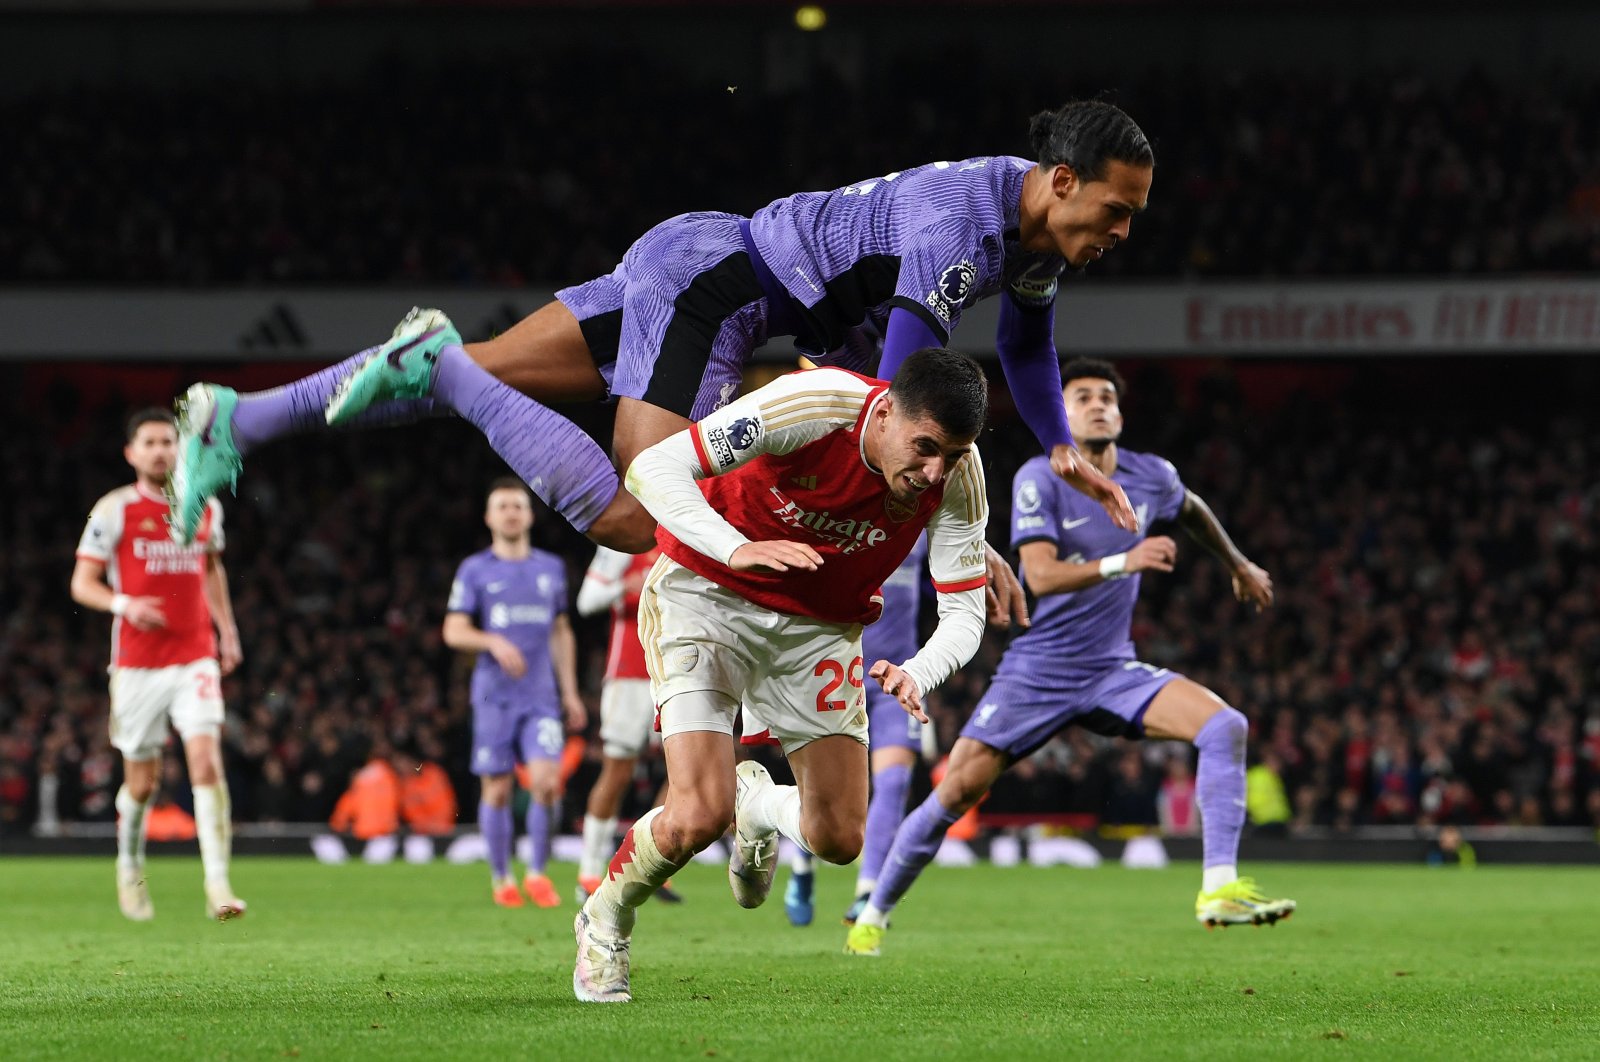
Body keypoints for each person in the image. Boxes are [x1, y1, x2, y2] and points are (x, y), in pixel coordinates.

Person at [167, 100, 1155, 615]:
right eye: (1113, 212)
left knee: (483, 373)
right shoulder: (960, 225)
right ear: (1061, 180)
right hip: (722, 290)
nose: (1118, 233)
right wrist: (954, 531)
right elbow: (893, 398)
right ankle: (441, 363)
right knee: (641, 512)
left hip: (705, 258)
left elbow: (1027, 339)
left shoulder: (1029, 236)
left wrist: (1060, 446)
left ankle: (234, 419)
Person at [573, 349, 992, 1003]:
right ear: (884, 414)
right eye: (925, 447)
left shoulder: (958, 473)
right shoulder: (812, 404)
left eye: (953, 453)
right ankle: (605, 922)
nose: (933, 470)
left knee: (840, 837)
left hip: (818, 629)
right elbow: (654, 467)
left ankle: (759, 808)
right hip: (706, 594)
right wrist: (736, 547)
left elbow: (966, 611)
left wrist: (919, 672)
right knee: (695, 816)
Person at [844, 359, 1295, 957]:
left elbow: (1190, 510)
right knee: (953, 794)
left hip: (1112, 670)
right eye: (1082, 397)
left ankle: (1218, 888)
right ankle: (872, 914)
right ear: (1064, 412)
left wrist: (1237, 563)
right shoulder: (1042, 476)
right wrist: (1122, 562)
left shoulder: (1151, 476)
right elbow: (1039, 575)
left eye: (1108, 396)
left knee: (1225, 725)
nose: (1099, 405)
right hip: (1037, 674)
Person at [70, 408, 246, 922]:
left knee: (206, 761)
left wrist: (226, 630)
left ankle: (218, 884)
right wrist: (125, 606)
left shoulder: (203, 506)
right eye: (149, 442)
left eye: (168, 441)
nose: (160, 450)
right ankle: (129, 864)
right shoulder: (113, 510)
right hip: (137, 665)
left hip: (194, 656)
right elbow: (82, 584)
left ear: (181, 448)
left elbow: (211, 567)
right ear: (131, 453)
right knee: (142, 784)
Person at [443, 479, 587, 908]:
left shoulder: (550, 569)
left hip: (541, 696)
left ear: (529, 515)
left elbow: (562, 631)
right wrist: (492, 641)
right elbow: (453, 630)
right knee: (499, 790)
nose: (510, 513)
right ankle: (502, 878)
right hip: (494, 697)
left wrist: (571, 693)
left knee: (546, 784)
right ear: (489, 517)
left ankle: (538, 874)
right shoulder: (475, 570)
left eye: (517, 506)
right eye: (502, 506)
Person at [783, 533, 931, 927]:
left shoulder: (922, 516)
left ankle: (867, 892)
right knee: (828, 789)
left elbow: (962, 539)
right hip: (837, 672)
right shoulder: (846, 511)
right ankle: (801, 864)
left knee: (895, 781)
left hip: (896, 678)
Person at [572, 545, 683, 906]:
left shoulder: (685, 530)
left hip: (676, 673)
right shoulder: (621, 542)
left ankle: (652, 865)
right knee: (618, 771)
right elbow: (587, 601)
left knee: (682, 773)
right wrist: (624, 587)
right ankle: (588, 873)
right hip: (629, 678)